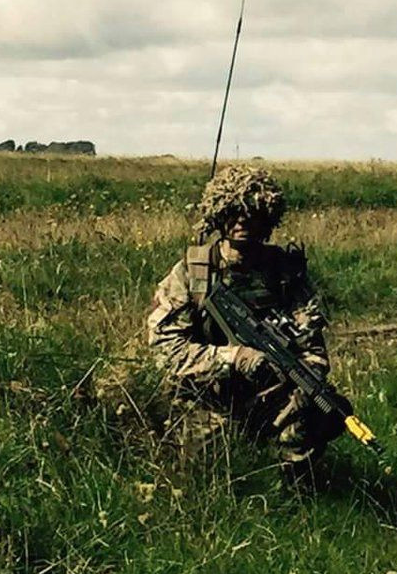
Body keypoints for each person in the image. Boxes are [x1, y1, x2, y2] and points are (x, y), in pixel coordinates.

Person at [146, 165, 342, 469]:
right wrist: (233, 358)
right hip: (204, 394)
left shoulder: (284, 273)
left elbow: (310, 341)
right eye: (233, 210)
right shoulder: (193, 272)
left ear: (268, 217)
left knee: (322, 412)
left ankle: (294, 486)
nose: (242, 220)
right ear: (218, 214)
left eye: (252, 212)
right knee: (212, 462)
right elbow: (166, 351)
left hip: (269, 392)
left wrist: (309, 375)